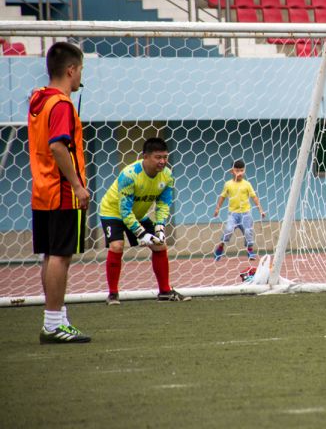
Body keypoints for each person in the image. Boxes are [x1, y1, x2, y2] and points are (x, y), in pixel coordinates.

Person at [28, 42, 91, 344]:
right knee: (60, 256)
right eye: (80, 70)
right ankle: (53, 324)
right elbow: (57, 145)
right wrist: (78, 185)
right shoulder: (62, 104)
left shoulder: (38, 99)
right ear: (71, 70)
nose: (80, 77)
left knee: (50, 255)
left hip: (41, 189)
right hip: (62, 190)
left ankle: (56, 317)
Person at [99, 137, 191, 305]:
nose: (162, 161)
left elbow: (163, 203)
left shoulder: (167, 175)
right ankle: (112, 294)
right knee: (117, 246)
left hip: (138, 214)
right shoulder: (129, 175)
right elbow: (125, 211)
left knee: (160, 245)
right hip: (113, 212)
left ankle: (164, 292)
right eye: (158, 157)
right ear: (145, 156)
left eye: (165, 157)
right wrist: (141, 233)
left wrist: (160, 227)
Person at [212, 159, 266, 261]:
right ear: (232, 171)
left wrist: (261, 210)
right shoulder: (228, 184)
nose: (239, 173)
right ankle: (221, 247)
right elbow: (222, 197)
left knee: (248, 232)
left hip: (246, 213)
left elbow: (254, 197)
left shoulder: (247, 184)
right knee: (228, 230)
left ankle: (250, 250)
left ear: (244, 171)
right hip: (233, 214)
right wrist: (217, 209)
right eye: (237, 171)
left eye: (241, 170)